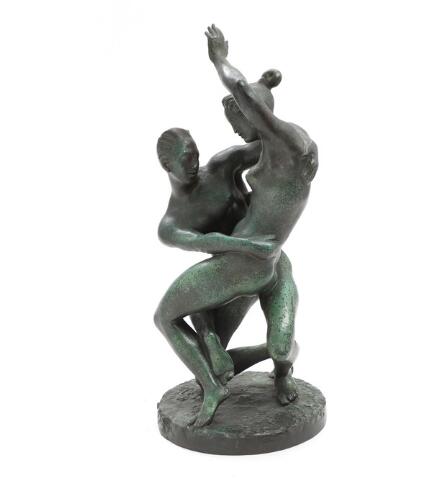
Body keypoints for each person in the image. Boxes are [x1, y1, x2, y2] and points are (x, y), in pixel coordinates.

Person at [155, 25, 318, 427]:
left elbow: (246, 98)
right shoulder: (273, 152)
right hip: (253, 261)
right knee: (217, 345)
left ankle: (239, 378)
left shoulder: (282, 149)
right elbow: (207, 241)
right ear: (166, 166)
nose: (235, 133)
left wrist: (221, 61)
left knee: (169, 318)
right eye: (186, 159)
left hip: (251, 264)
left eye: (238, 121)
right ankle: (219, 372)